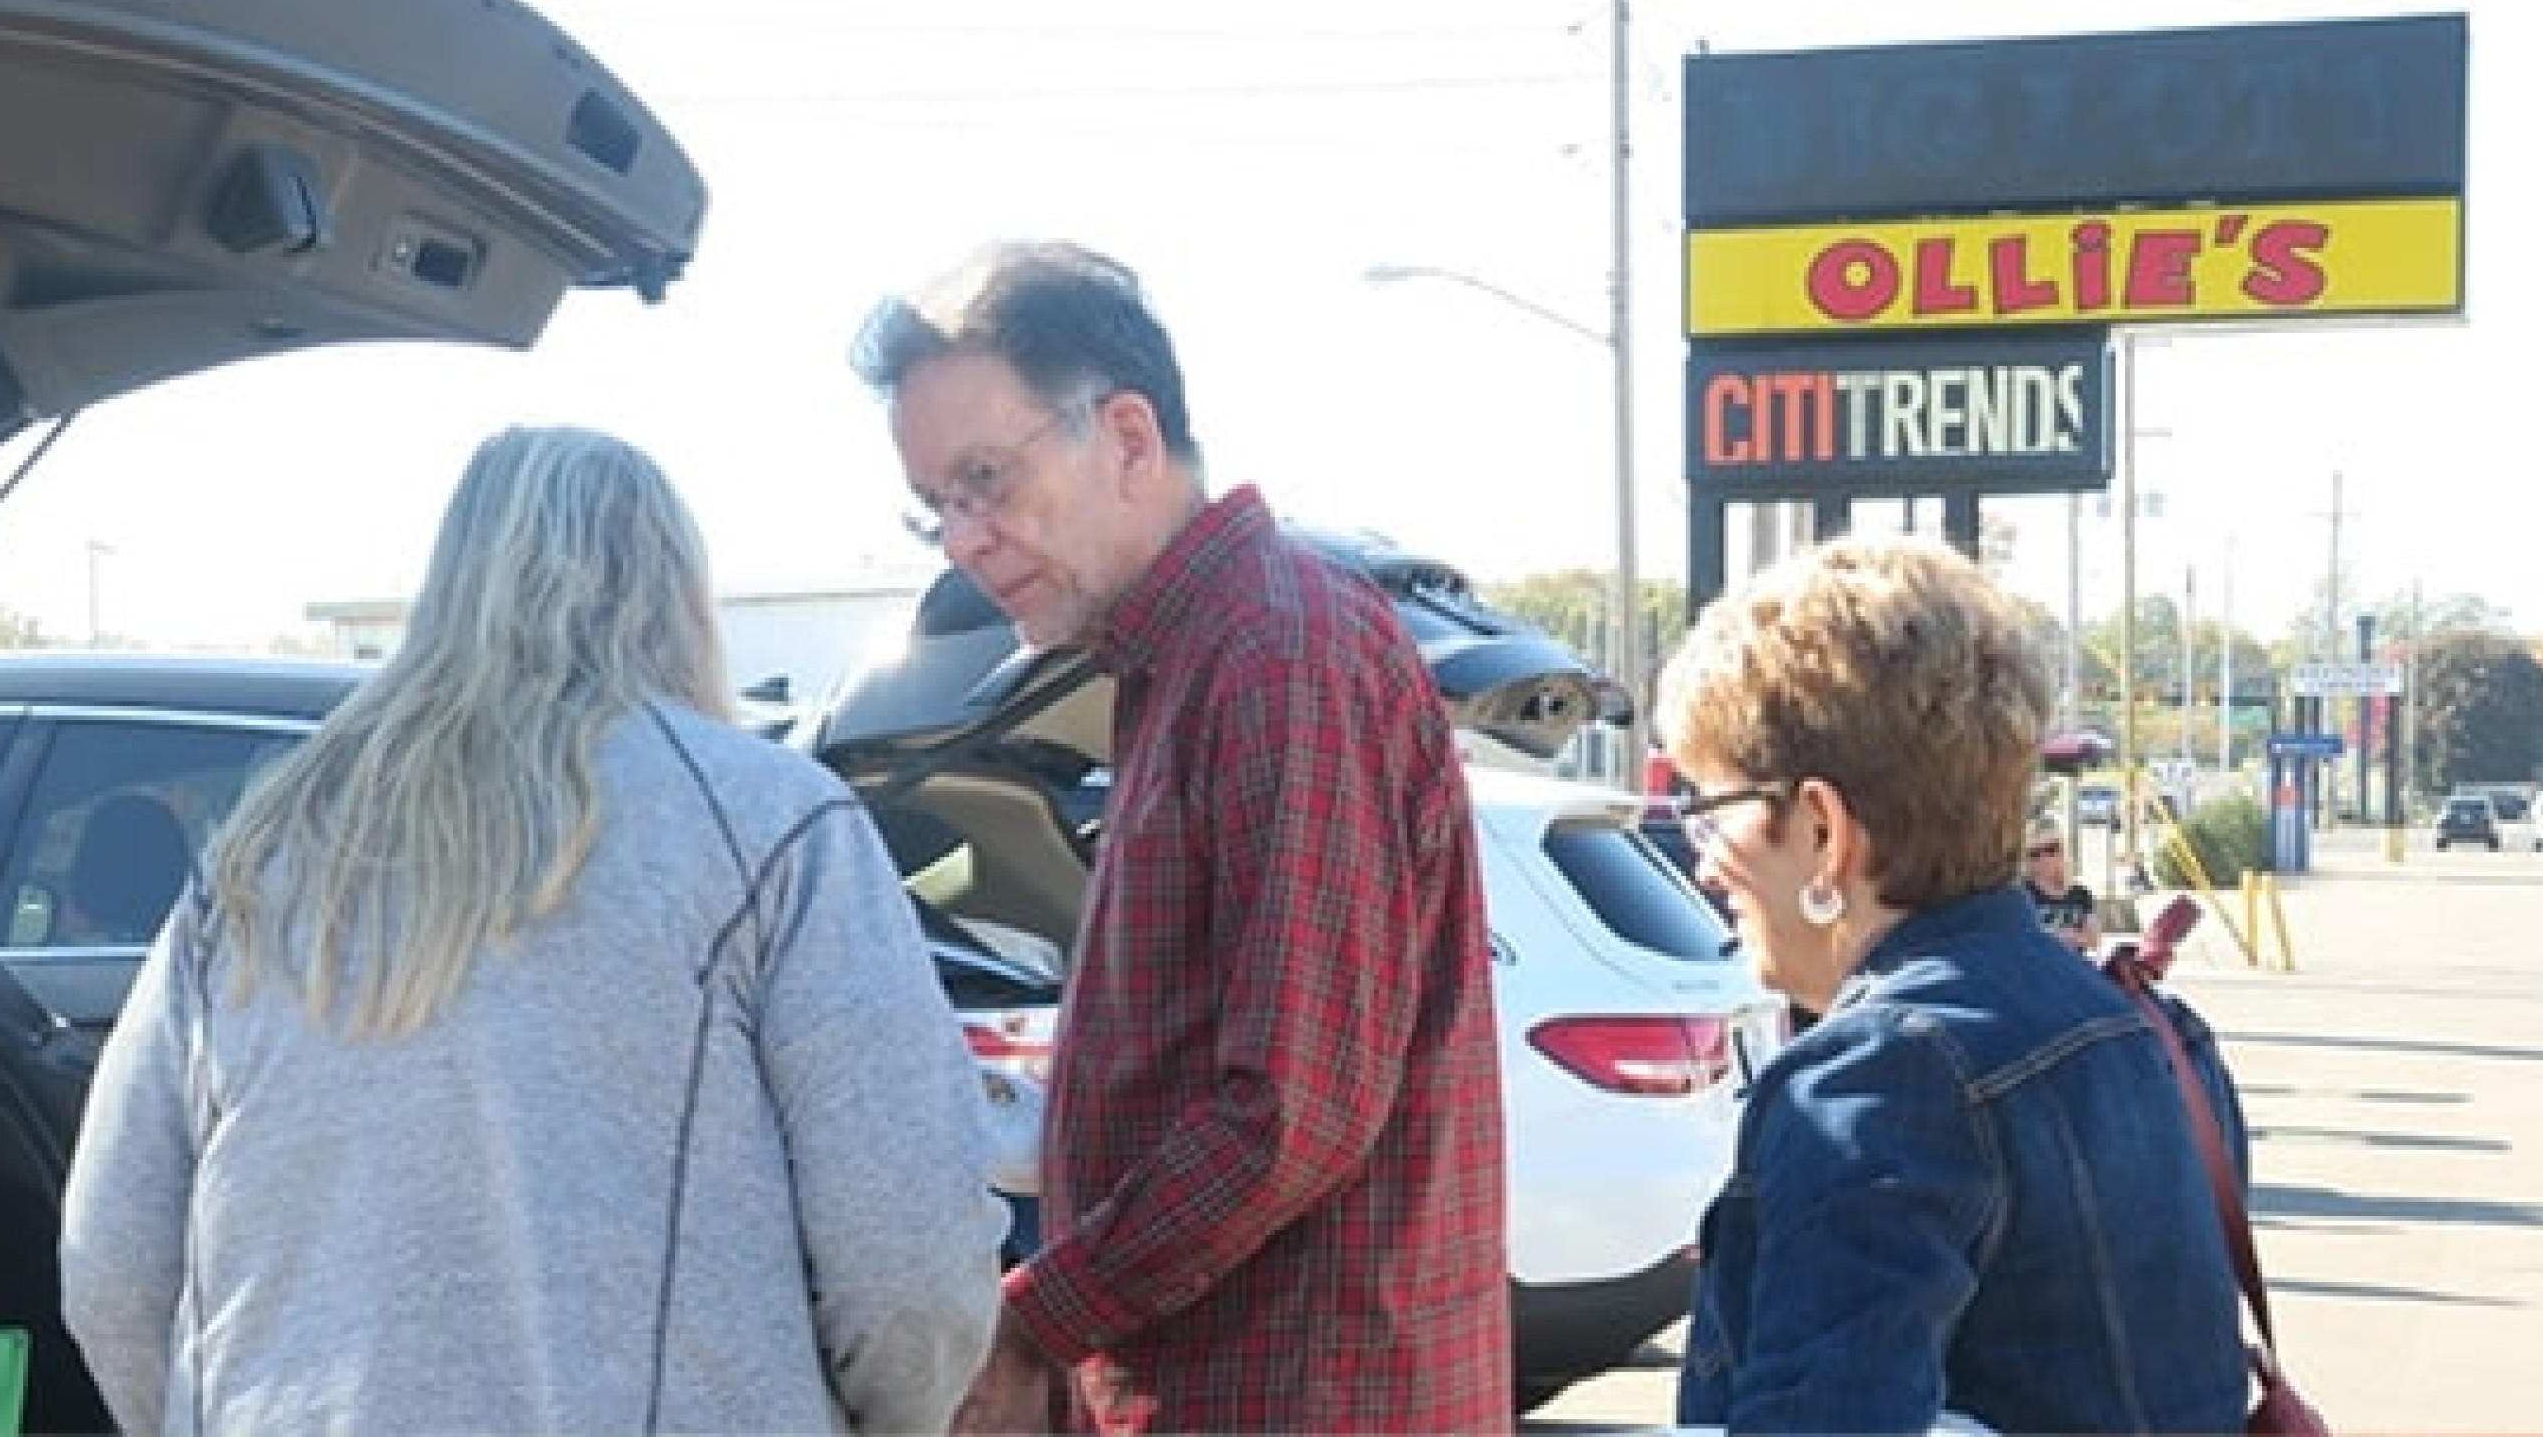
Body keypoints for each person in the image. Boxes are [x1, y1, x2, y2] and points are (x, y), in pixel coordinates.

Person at [59, 426, 1005, 1435]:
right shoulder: (771, 824)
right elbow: (911, 1259)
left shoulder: (261, 850)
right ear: (678, 596)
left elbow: (112, 1267)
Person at [853, 241, 1509, 1435]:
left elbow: (1291, 1111)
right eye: (936, 503)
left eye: (987, 479)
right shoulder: (1196, 656)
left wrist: (1039, 1315)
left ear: (1129, 436)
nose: (963, 537)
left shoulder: (1276, 651)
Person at [1654, 535, 2251, 1434]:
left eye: (1709, 810)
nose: (1703, 865)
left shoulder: (1874, 1083)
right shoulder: (2159, 1032)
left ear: (1823, 829)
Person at [2020, 822, 2101, 956]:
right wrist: (2058, 937)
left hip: (2073, 969)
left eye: (2051, 849)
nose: (2044, 858)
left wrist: (2072, 938)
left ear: (2062, 852)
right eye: (2035, 853)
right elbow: (2019, 938)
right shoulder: (2021, 895)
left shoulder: (2081, 894)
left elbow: (2094, 940)